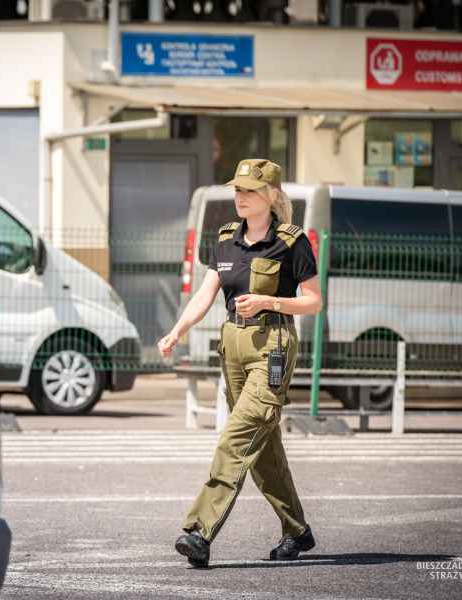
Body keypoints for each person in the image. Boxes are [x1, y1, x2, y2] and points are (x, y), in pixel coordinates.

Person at [157, 158, 322, 567]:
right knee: (261, 447)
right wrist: (178, 330)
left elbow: (313, 301)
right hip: (232, 345)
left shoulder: (291, 241)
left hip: (273, 346)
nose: (241, 197)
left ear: (270, 195)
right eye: (238, 190)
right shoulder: (227, 238)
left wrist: (269, 301)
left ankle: (199, 532)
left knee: (236, 438)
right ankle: (297, 530)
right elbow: (205, 292)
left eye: (249, 190)